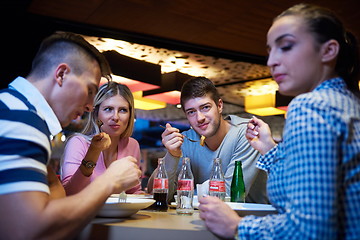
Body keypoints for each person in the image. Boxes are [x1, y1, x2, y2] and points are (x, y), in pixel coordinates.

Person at [198, 3, 360, 239]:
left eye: (285, 46)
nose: (271, 61)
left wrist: (237, 226)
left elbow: (310, 231)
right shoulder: (347, 102)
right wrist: (269, 149)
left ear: (328, 51)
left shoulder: (311, 106)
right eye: (270, 50)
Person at [0, 32, 141, 240]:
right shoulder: (21, 118)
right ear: (61, 74)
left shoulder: (14, 107)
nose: (89, 106)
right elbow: (29, 232)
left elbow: (55, 198)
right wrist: (110, 181)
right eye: (90, 90)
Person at [148, 76, 268, 204]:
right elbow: (157, 195)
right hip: (200, 218)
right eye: (191, 112)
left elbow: (228, 195)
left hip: (252, 219)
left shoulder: (247, 133)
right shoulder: (186, 141)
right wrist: (172, 155)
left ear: (219, 106)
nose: (199, 118)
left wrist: (183, 195)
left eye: (205, 107)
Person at [61, 81, 143, 195]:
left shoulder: (132, 145)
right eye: (108, 109)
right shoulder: (78, 143)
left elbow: (133, 191)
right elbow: (69, 192)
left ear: (130, 115)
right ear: (96, 114)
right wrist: (93, 151)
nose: (115, 117)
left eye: (123, 110)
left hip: (122, 213)